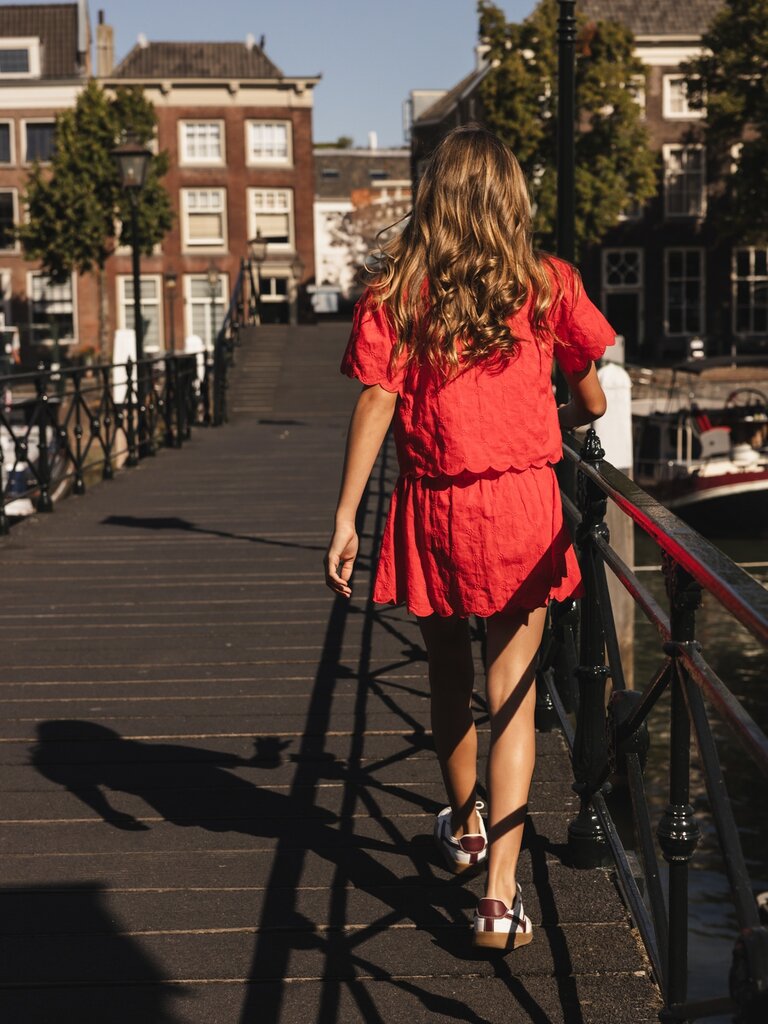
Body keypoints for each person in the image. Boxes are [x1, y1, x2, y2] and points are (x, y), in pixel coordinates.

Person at [324, 125, 612, 952]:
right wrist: (543, 418)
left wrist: (346, 517)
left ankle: (466, 827)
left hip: (433, 509)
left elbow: (376, 400)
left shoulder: (397, 292)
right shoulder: (548, 283)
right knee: (512, 694)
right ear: (511, 199)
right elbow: (591, 401)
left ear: (434, 200)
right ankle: (497, 900)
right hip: (524, 507)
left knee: (449, 677)